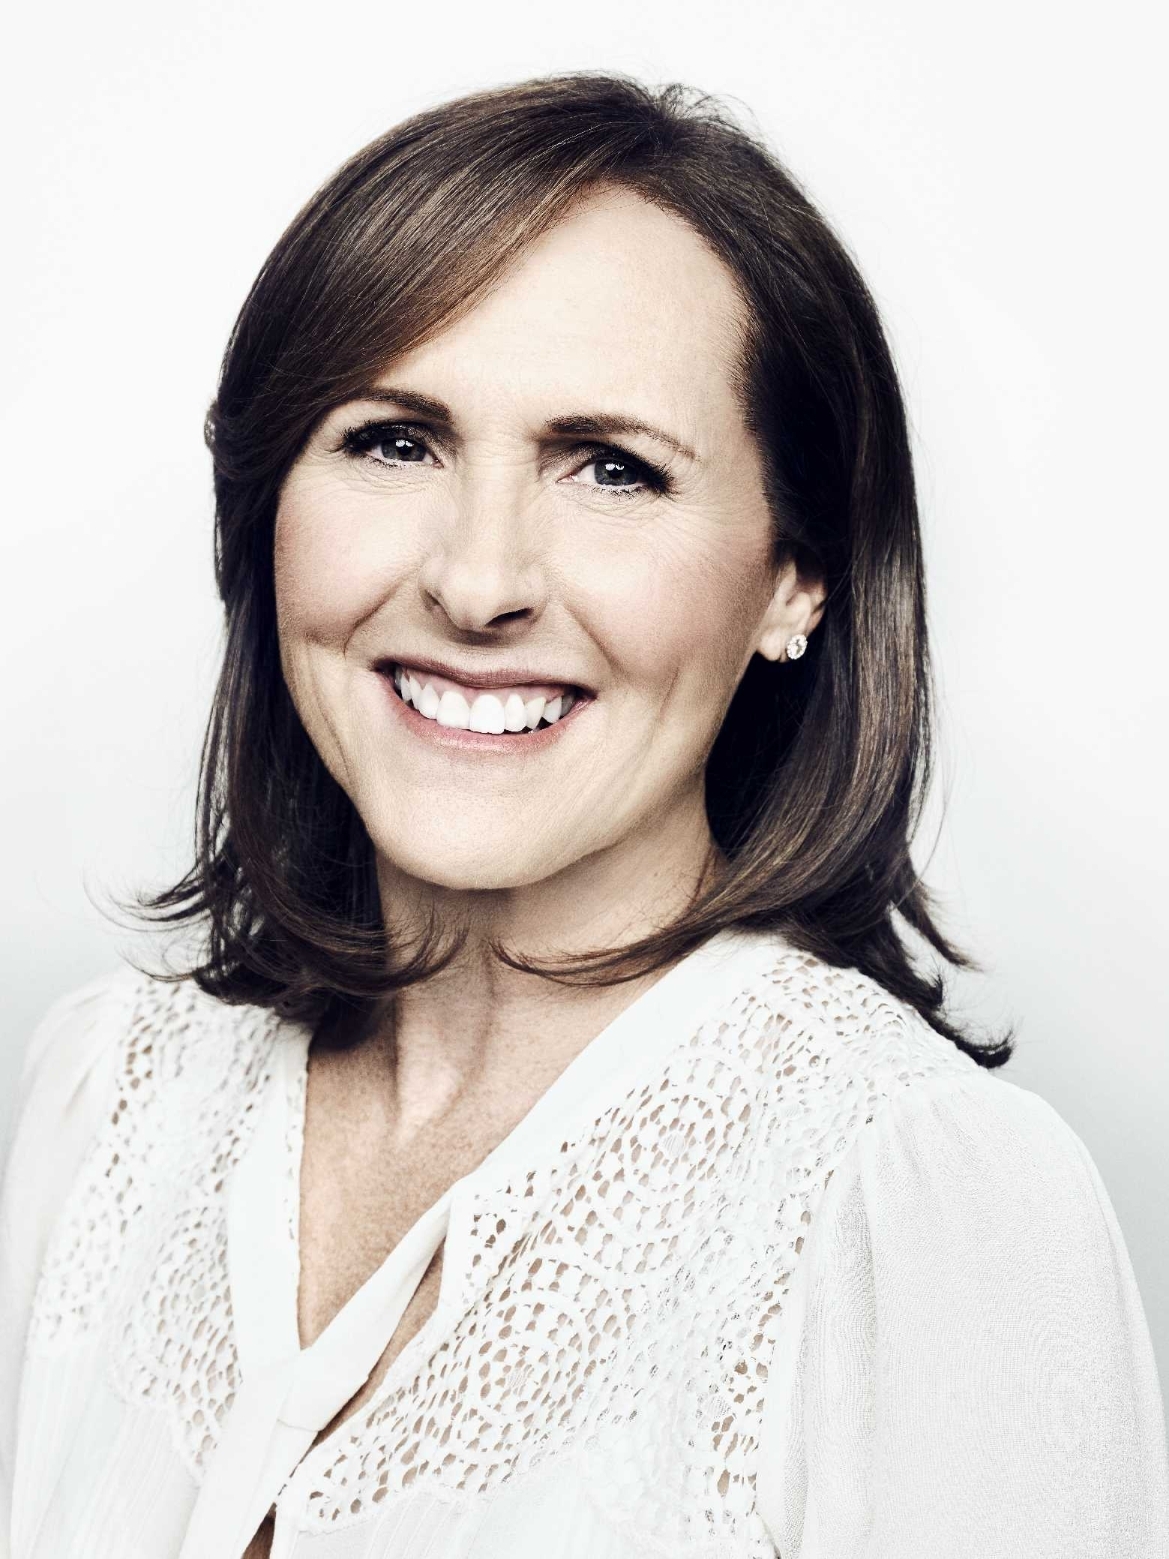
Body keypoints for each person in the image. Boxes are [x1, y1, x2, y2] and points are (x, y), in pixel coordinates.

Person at [1, 70, 1166, 1559]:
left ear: (796, 578)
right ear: (265, 503)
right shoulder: (107, 1092)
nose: (478, 583)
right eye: (394, 440)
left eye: (613, 469)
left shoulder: (923, 1208)